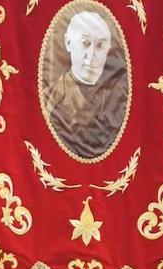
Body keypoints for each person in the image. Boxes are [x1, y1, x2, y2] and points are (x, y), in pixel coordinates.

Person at [43, 11, 128, 159]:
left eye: (100, 46)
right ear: (68, 43)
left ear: (108, 50)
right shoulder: (51, 99)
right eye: (85, 43)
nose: (92, 55)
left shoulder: (121, 98)